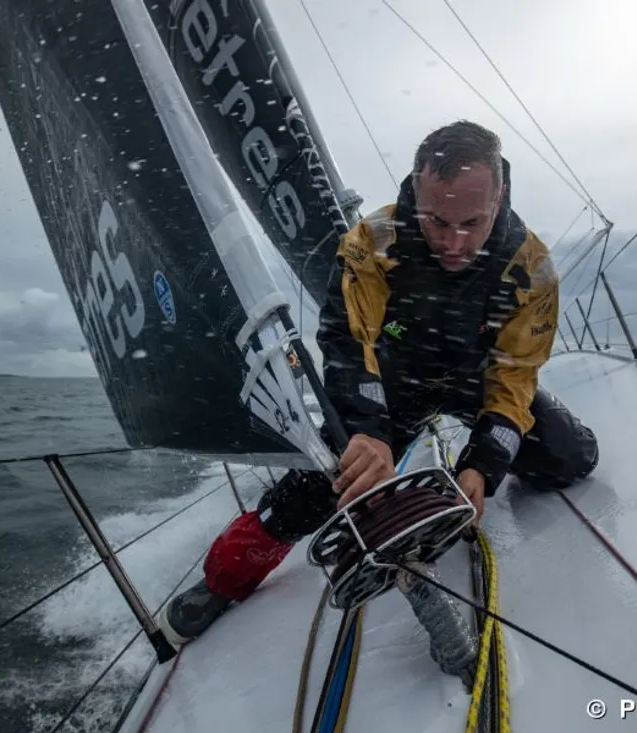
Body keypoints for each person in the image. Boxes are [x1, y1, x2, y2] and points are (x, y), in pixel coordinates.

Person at [158, 120, 599, 645]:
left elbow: (516, 373)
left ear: (499, 197)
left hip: (474, 382)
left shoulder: (531, 267)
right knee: (322, 484)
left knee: (570, 456)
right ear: (415, 188)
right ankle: (223, 580)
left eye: (472, 223)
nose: (454, 243)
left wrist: (483, 464)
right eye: (437, 221)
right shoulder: (375, 241)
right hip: (393, 384)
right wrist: (366, 430)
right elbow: (348, 338)